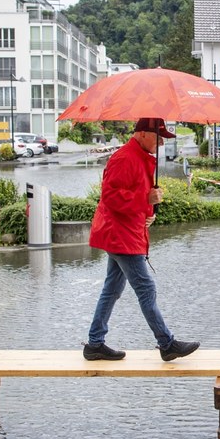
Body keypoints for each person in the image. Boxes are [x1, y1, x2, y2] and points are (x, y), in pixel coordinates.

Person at [83, 117, 200, 362]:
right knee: (145, 288)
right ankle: (166, 344)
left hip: (125, 232)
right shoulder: (125, 158)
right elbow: (111, 197)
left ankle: (95, 343)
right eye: (158, 138)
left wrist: (149, 213)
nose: (160, 143)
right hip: (121, 235)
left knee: (112, 289)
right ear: (143, 133)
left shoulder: (139, 157)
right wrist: (145, 201)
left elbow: (138, 195)